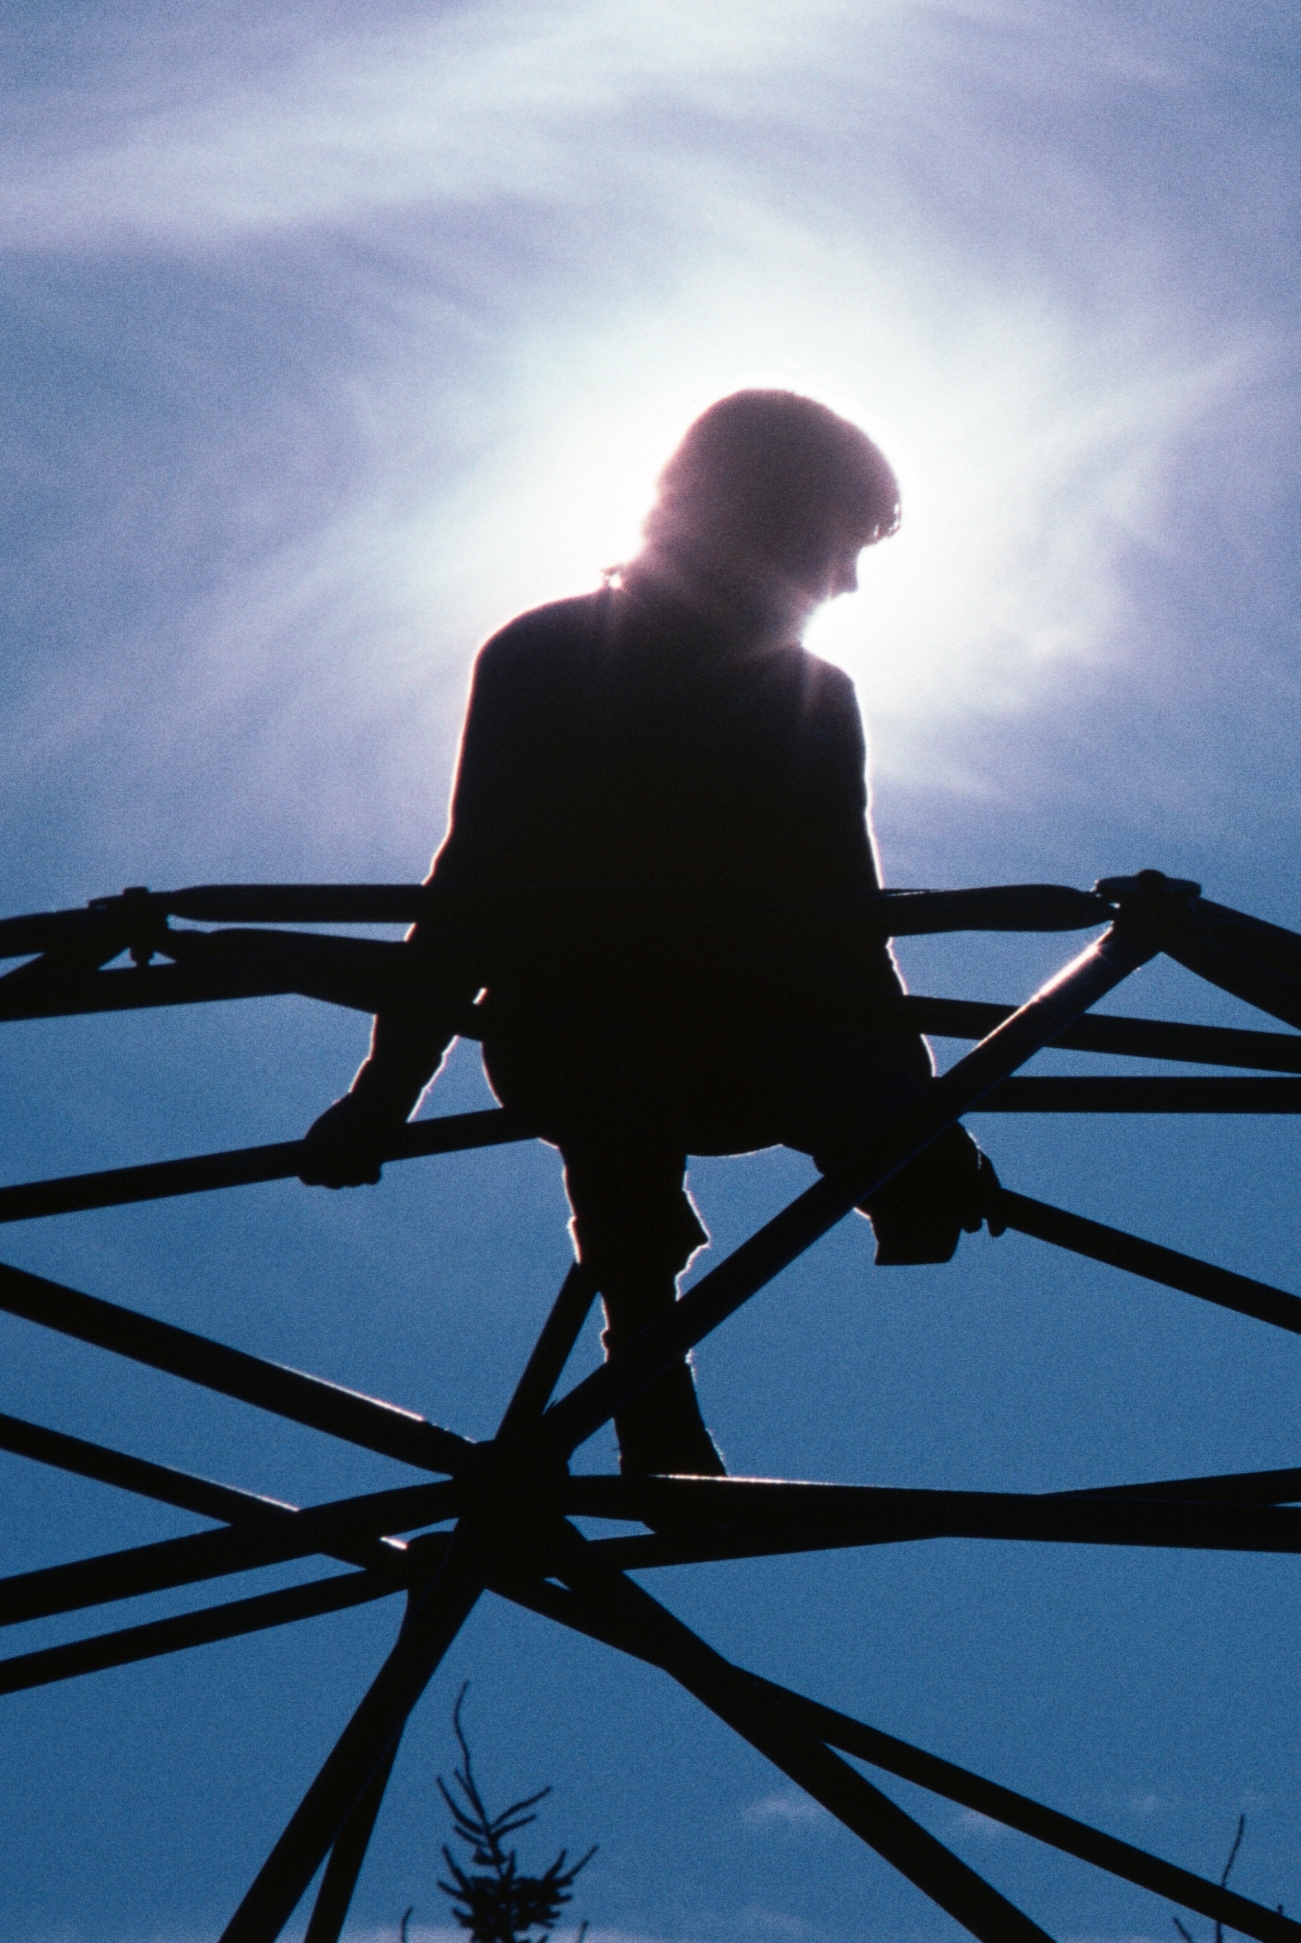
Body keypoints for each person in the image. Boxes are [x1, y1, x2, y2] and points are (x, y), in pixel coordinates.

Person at [297, 390, 997, 1476]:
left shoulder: (815, 694)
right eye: (835, 548)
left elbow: (845, 929)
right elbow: (474, 890)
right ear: (757, 520)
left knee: (814, 1036)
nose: (849, 582)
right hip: (585, 1026)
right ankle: (648, 1364)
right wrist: (382, 1097)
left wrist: (922, 1121)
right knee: (607, 1057)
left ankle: (888, 1171)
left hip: (750, 1030)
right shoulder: (548, 655)